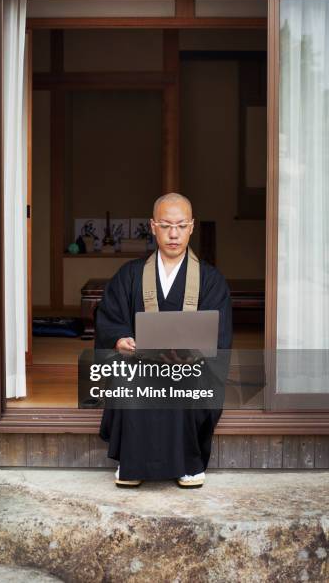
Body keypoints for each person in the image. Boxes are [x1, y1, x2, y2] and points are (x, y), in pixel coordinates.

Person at [94, 193, 232, 488]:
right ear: (153, 226)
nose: (173, 233)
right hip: (139, 364)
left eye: (181, 225)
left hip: (191, 367)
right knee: (128, 378)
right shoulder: (129, 275)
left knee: (189, 380)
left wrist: (193, 352)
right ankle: (132, 463)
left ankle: (189, 464)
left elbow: (219, 335)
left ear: (192, 227)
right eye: (166, 225)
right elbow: (110, 319)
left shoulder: (210, 279)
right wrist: (120, 340)